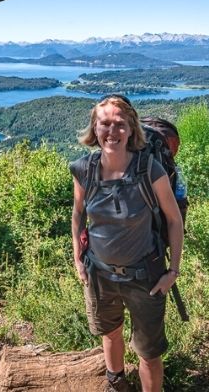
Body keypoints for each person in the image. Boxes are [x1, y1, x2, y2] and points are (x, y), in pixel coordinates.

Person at [71, 95, 183, 392]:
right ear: (94, 129)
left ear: (132, 130)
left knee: (149, 353)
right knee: (110, 334)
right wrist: (78, 258)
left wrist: (173, 272)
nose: (112, 131)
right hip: (100, 274)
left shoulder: (149, 170)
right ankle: (116, 382)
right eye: (105, 124)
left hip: (145, 276)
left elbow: (174, 220)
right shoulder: (84, 169)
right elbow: (78, 213)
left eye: (120, 124)